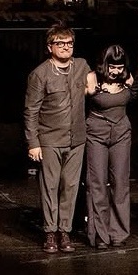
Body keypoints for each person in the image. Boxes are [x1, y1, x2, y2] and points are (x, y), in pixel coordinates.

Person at [24, 23, 90, 253]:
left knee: (70, 186)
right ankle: (50, 232)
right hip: (50, 139)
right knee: (50, 187)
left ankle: (65, 231)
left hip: (77, 139)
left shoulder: (81, 66)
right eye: (60, 43)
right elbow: (31, 111)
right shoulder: (40, 74)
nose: (65, 47)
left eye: (69, 43)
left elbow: (96, 80)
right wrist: (33, 143)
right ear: (49, 47)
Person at [84, 44, 137, 249]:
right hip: (97, 133)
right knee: (97, 183)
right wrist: (90, 91)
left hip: (121, 133)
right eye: (112, 67)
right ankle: (100, 234)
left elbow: (135, 96)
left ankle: (118, 233)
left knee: (121, 183)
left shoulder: (127, 78)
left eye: (119, 67)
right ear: (104, 64)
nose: (116, 71)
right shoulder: (92, 78)